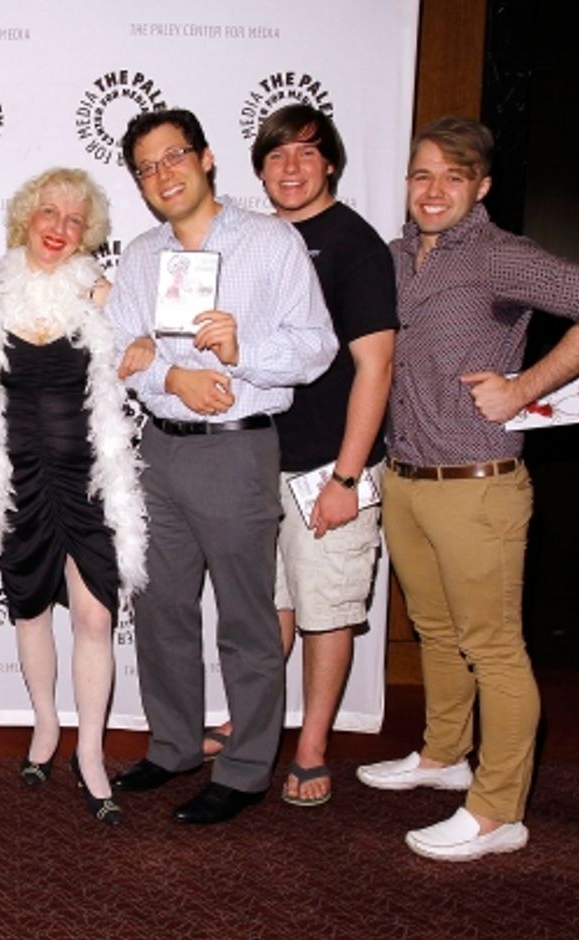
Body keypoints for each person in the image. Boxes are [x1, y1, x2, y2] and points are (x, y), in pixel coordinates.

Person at [356, 117, 579, 860]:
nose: (434, 189)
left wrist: (525, 388)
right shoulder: (391, 259)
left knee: (495, 649)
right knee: (439, 634)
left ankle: (497, 812)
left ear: (480, 187)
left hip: (479, 486)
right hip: (409, 479)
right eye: (422, 174)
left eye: (454, 176)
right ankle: (444, 755)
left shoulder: (498, 257)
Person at [105, 108, 337, 824]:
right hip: (159, 448)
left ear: (206, 158)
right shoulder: (142, 255)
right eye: (146, 167)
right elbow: (120, 352)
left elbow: (317, 346)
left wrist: (244, 354)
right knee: (161, 609)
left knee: (245, 617)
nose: (162, 175)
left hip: (238, 446)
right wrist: (171, 380)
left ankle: (243, 768)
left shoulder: (271, 244)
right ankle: (174, 744)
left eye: (173, 157)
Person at [204, 105, 397, 807]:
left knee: (325, 610)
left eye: (306, 154)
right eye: (277, 156)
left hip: (329, 465)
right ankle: (250, 722)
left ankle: (312, 746)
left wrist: (348, 476)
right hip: (257, 460)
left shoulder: (355, 245)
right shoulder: (250, 242)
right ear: (259, 169)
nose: (290, 168)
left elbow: (376, 368)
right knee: (268, 609)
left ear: (332, 164)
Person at [0, 168, 147, 825]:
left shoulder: (100, 289)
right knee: (30, 609)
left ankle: (91, 752)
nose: (59, 228)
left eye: (74, 220)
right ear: (25, 218)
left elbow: (150, 339)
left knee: (95, 617)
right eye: (48, 214)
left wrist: (146, 343)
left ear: (86, 233)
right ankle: (44, 726)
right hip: (19, 478)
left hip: (90, 483)